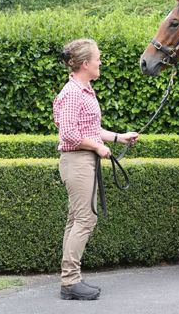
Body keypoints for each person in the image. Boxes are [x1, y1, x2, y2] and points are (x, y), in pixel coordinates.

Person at [53, 38, 139, 300]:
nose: (100, 62)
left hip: (83, 160)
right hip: (77, 161)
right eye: (98, 58)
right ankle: (70, 281)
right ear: (85, 64)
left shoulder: (85, 90)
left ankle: (70, 279)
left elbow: (90, 129)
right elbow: (68, 134)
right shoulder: (72, 93)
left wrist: (119, 137)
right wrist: (98, 147)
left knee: (75, 219)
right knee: (85, 219)